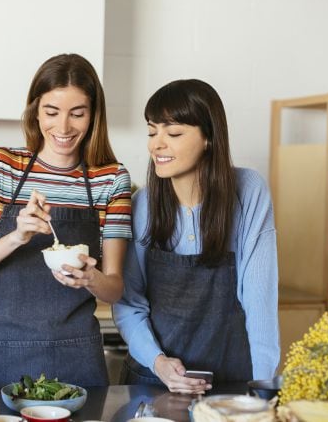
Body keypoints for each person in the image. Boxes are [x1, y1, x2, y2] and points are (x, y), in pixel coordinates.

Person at [0, 53, 132, 390]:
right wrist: (17, 236)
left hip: (77, 352)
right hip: (3, 349)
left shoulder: (111, 179)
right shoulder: (1, 165)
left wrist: (90, 278)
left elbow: (115, 288)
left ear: (94, 115)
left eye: (77, 114)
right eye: (52, 112)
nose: (63, 128)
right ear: (35, 111)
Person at [113, 79, 279, 394]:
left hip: (229, 379)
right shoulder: (141, 205)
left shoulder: (249, 192)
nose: (156, 144)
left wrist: (262, 391)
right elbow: (130, 302)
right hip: (154, 380)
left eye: (173, 133)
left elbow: (260, 301)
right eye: (152, 131)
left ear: (208, 138)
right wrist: (158, 361)